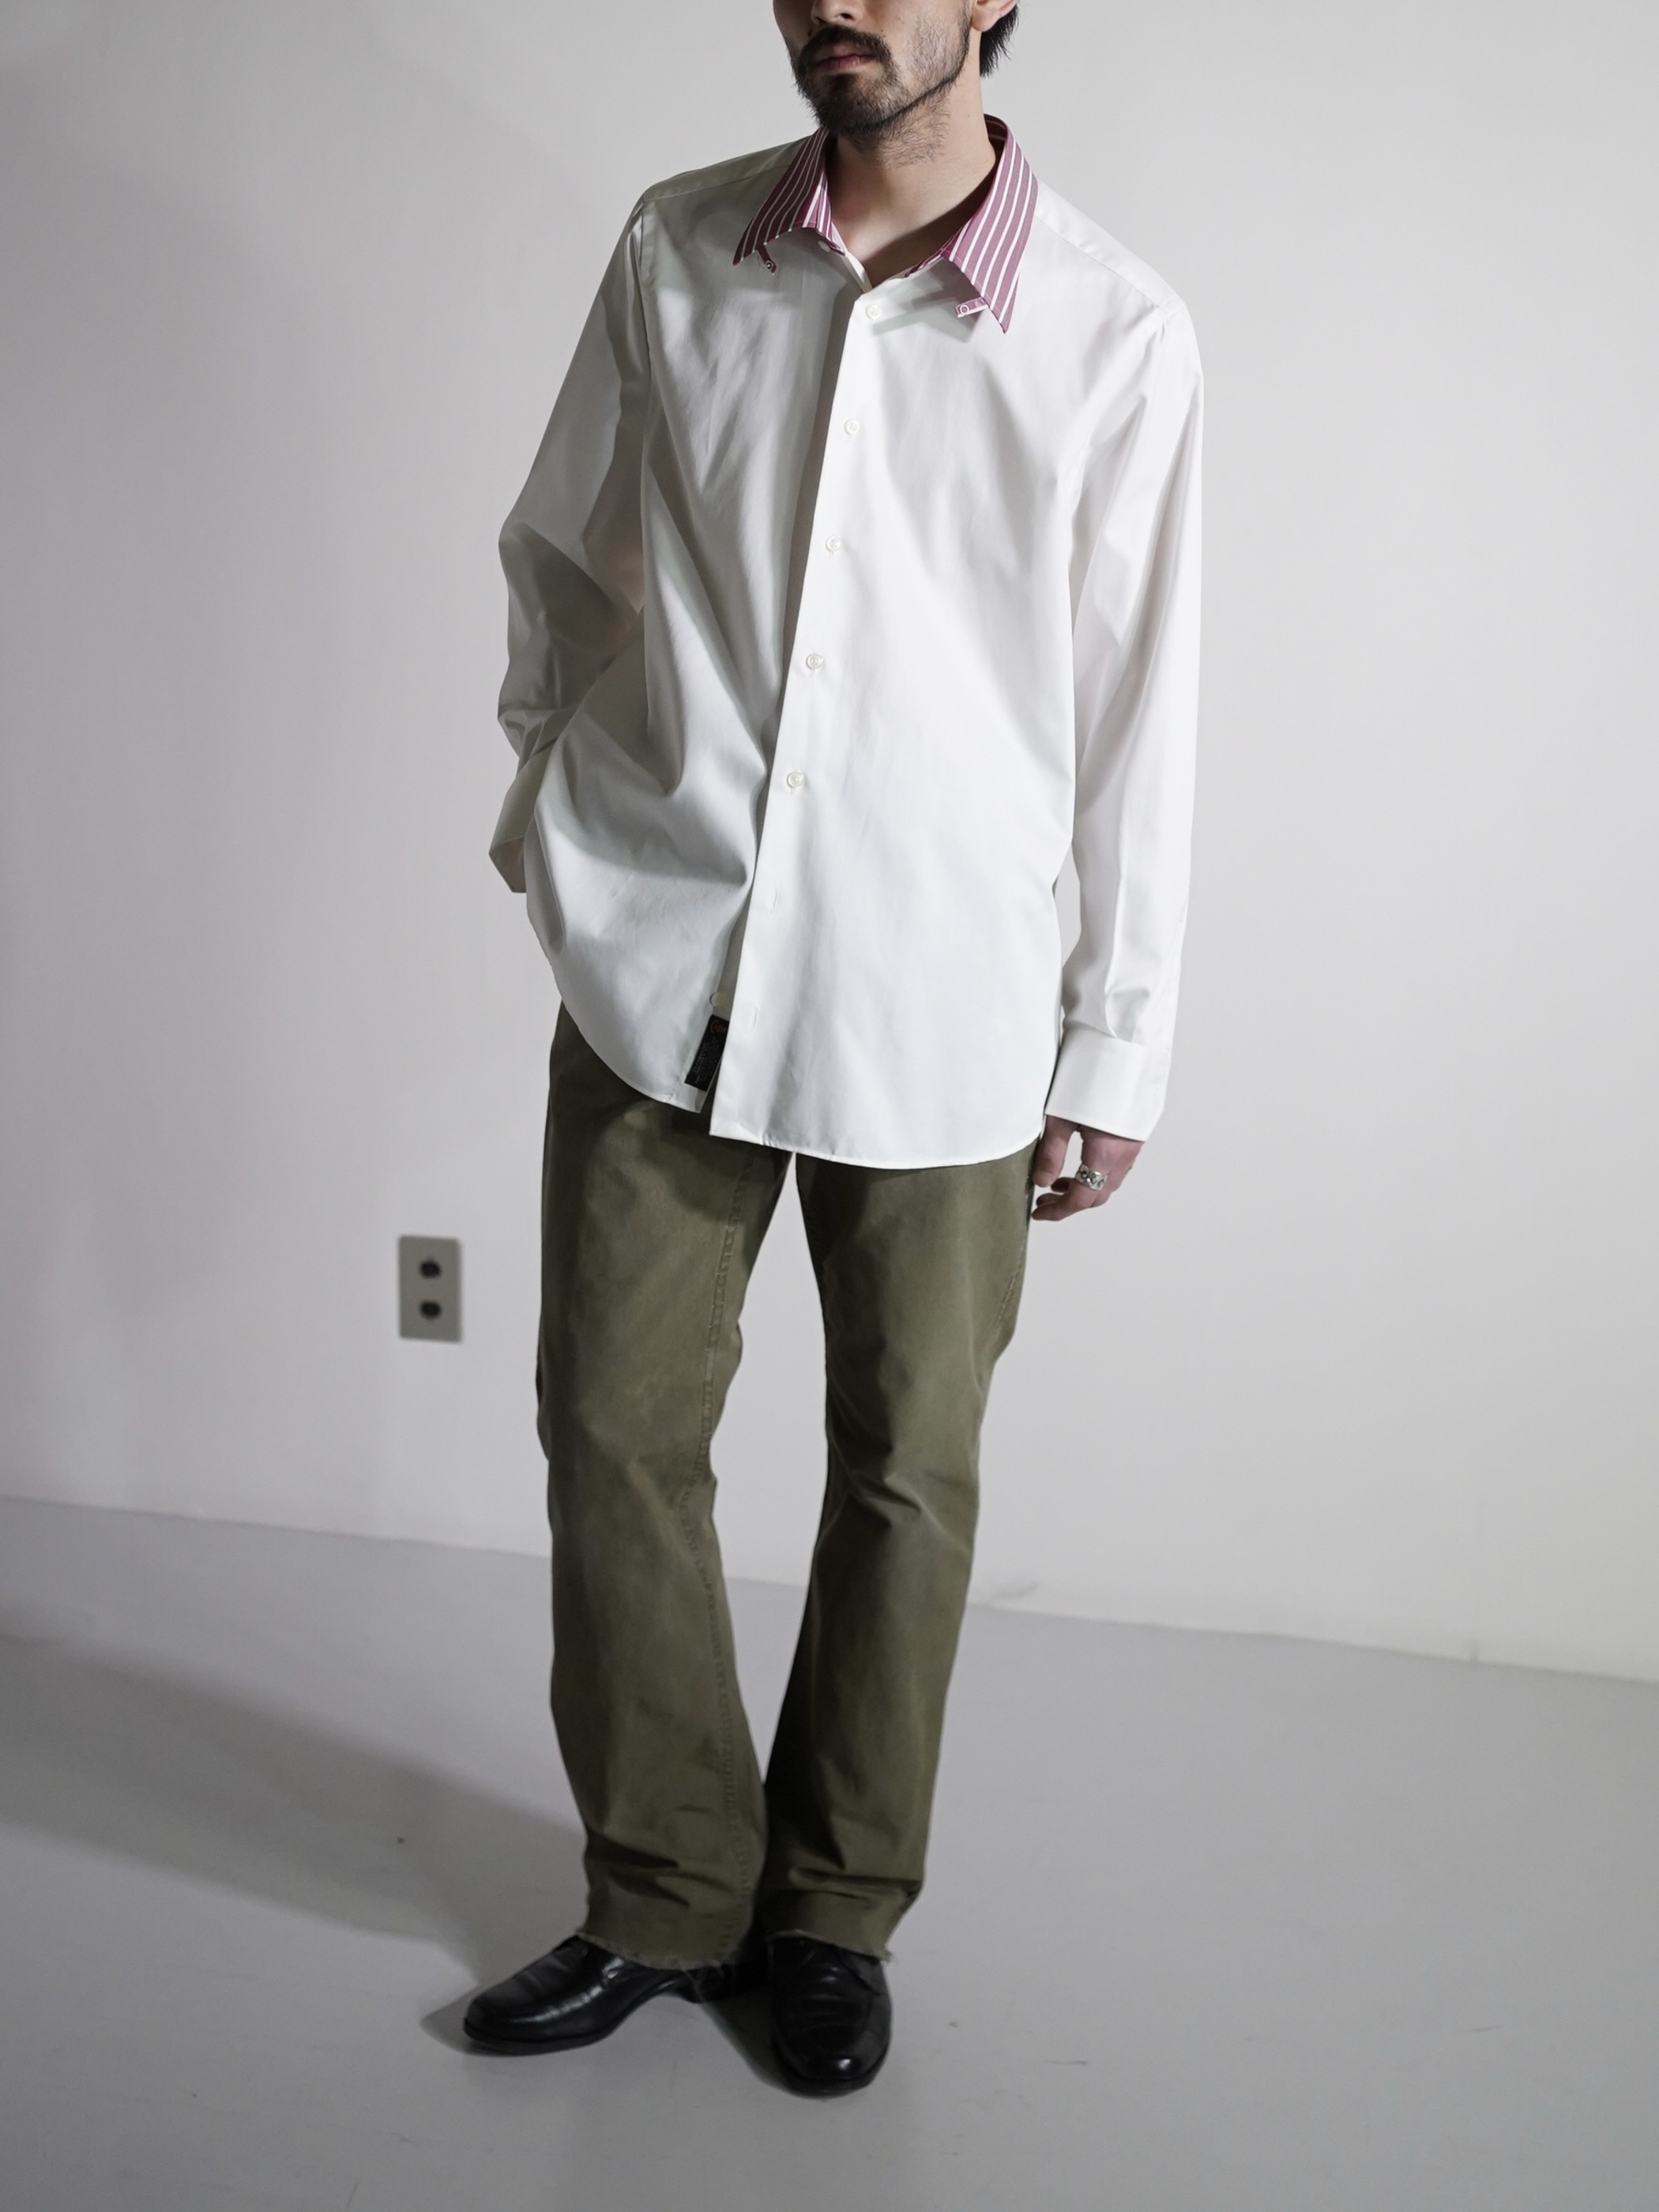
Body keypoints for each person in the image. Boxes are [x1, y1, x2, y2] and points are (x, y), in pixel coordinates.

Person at [461, 0, 1202, 2096]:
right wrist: (564, 813)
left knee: (909, 1466)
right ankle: (663, 1891)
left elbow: (1139, 708)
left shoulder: (1115, 330)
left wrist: (1115, 1040)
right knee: (610, 1426)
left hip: (943, 989)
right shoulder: (678, 245)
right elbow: (565, 550)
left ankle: (832, 1914)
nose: (834, 5)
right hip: (671, 960)